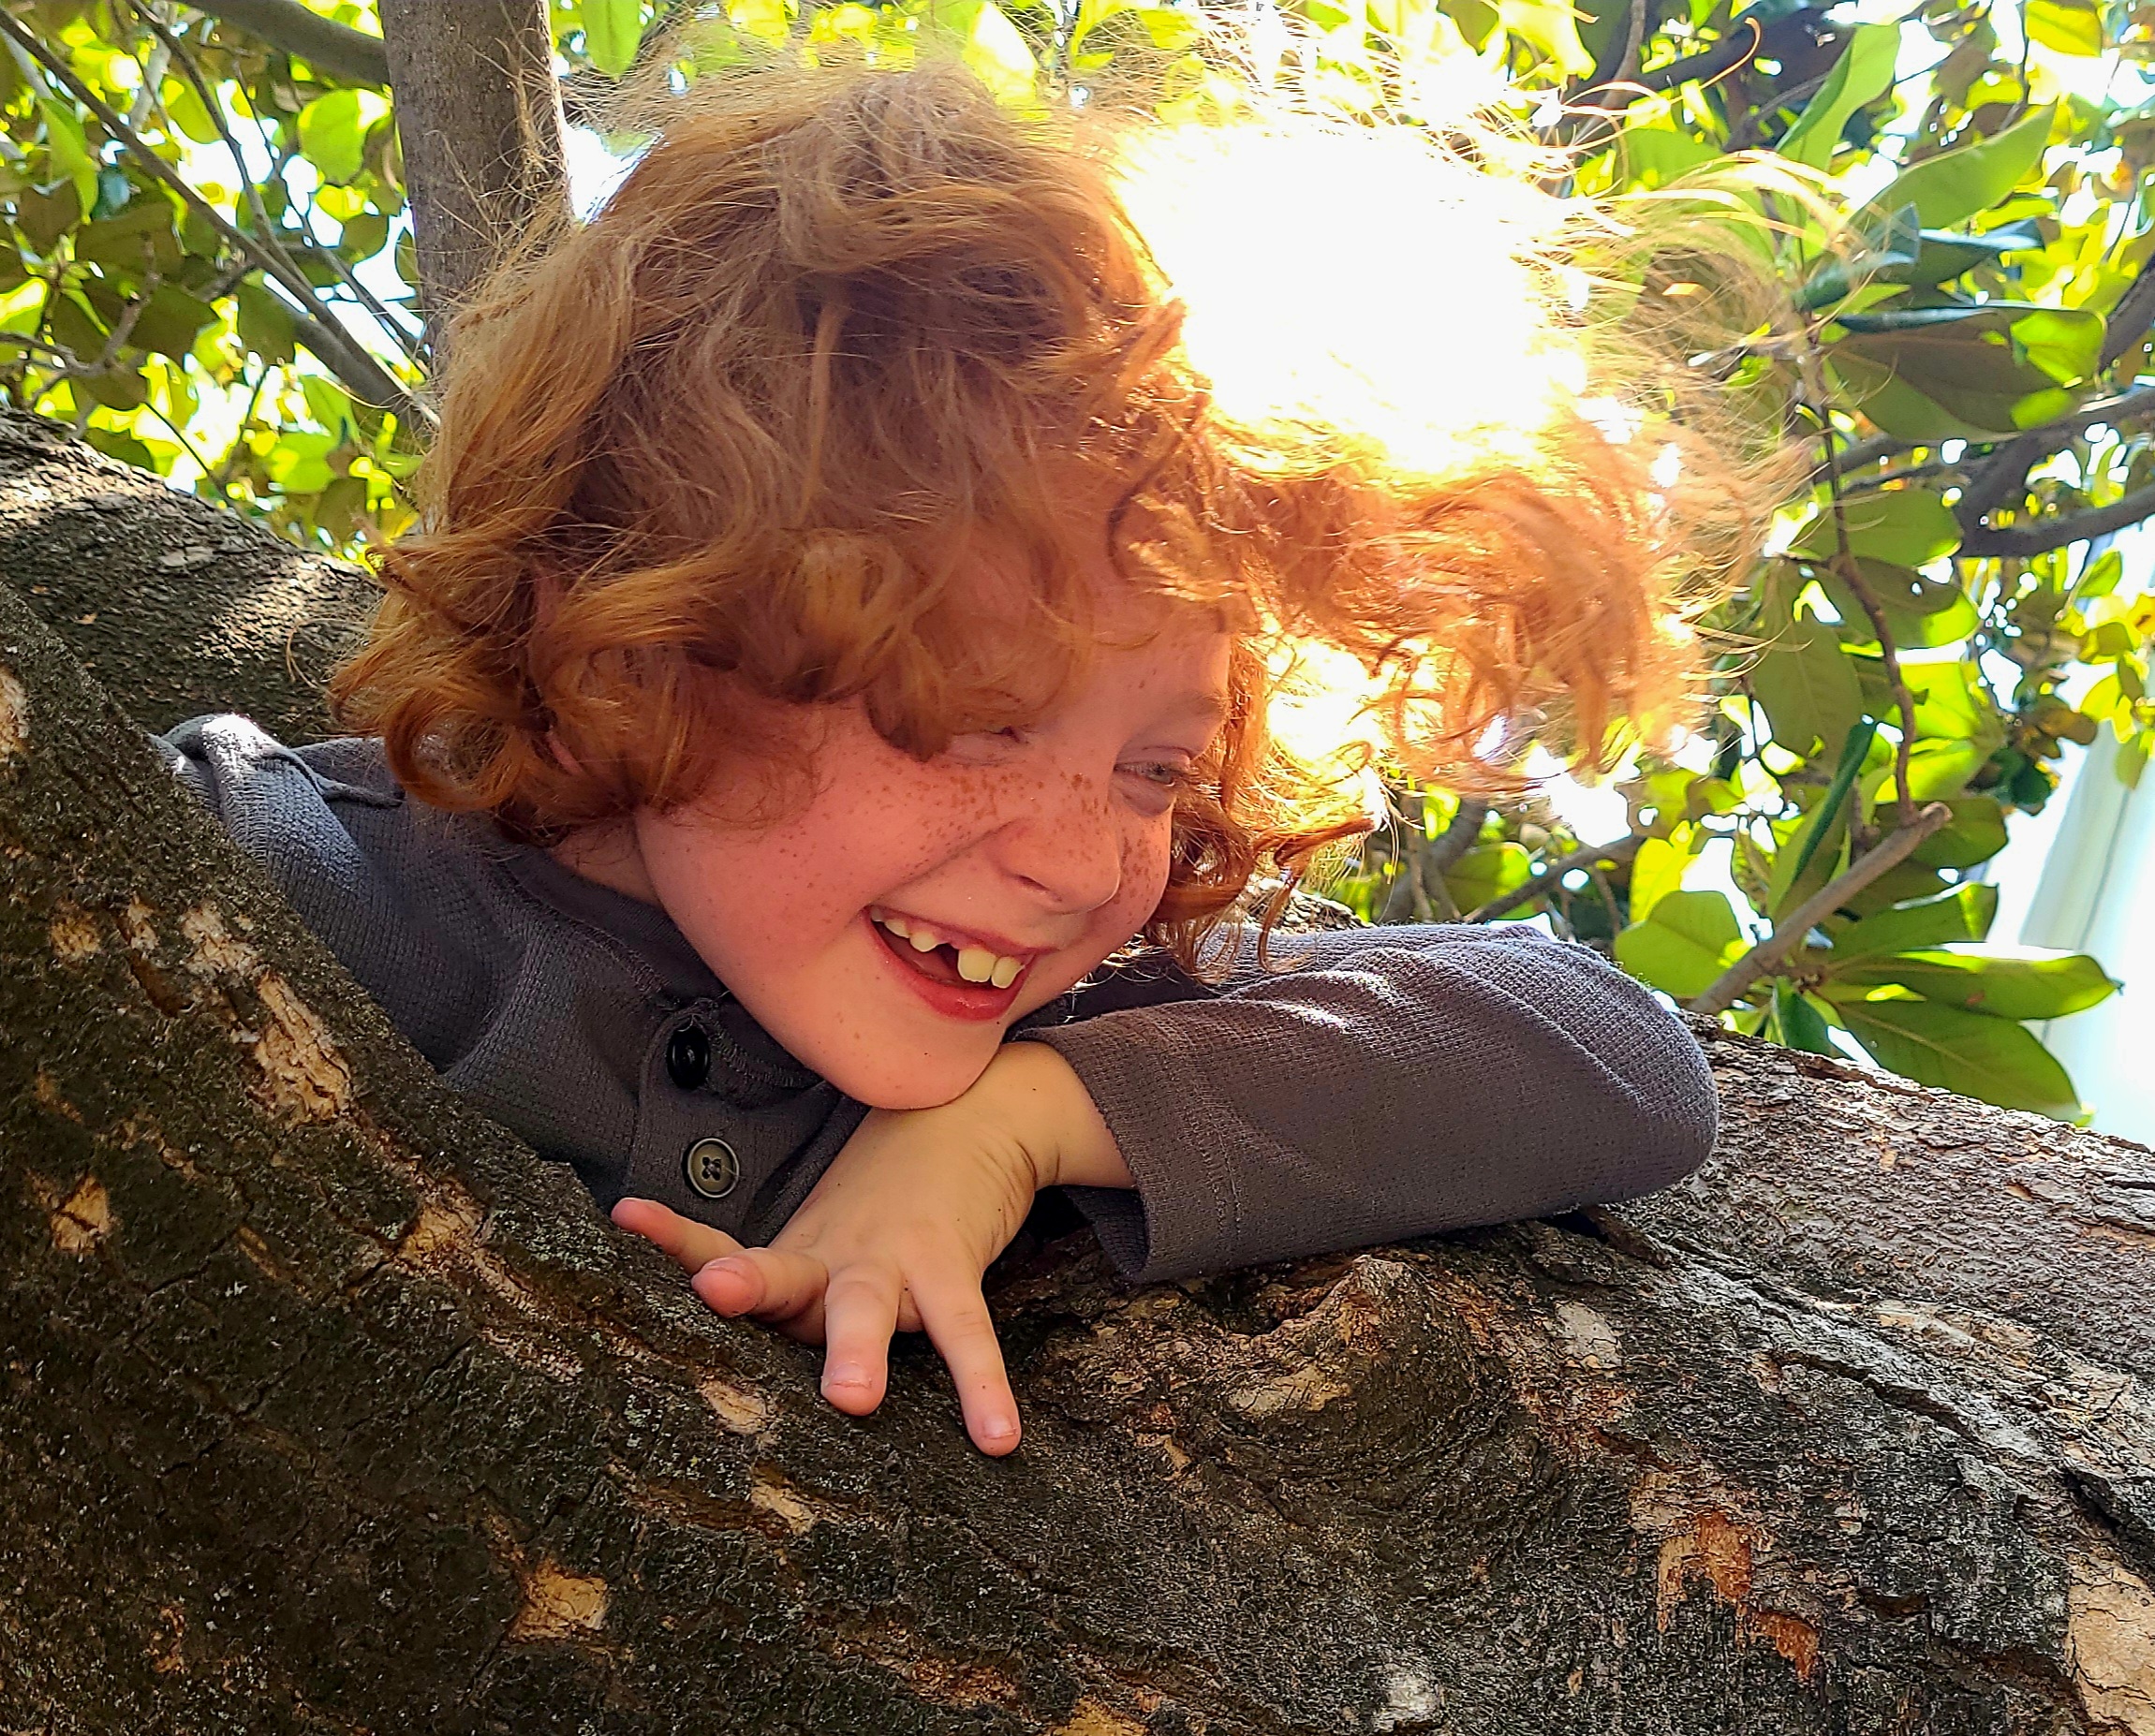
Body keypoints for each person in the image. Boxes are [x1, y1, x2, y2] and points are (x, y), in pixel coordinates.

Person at [160, 52, 1763, 1456]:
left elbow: (1611, 1053)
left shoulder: (1058, 1014)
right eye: (976, 715)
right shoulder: (282, 878)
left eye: (1156, 769)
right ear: (623, 636)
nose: (1077, 860)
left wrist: (1015, 1121)